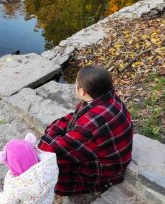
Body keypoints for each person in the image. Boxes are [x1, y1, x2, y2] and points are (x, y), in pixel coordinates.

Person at [38, 65, 133, 196]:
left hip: (108, 170)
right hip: (118, 157)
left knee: (55, 163)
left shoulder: (89, 124)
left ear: (82, 92)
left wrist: (50, 132)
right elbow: (73, 117)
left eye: (75, 84)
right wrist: (57, 128)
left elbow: (52, 148)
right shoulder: (111, 98)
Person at [0, 133, 58, 204]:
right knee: (41, 199)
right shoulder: (49, 165)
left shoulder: (16, 185)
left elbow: (7, 202)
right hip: (47, 203)